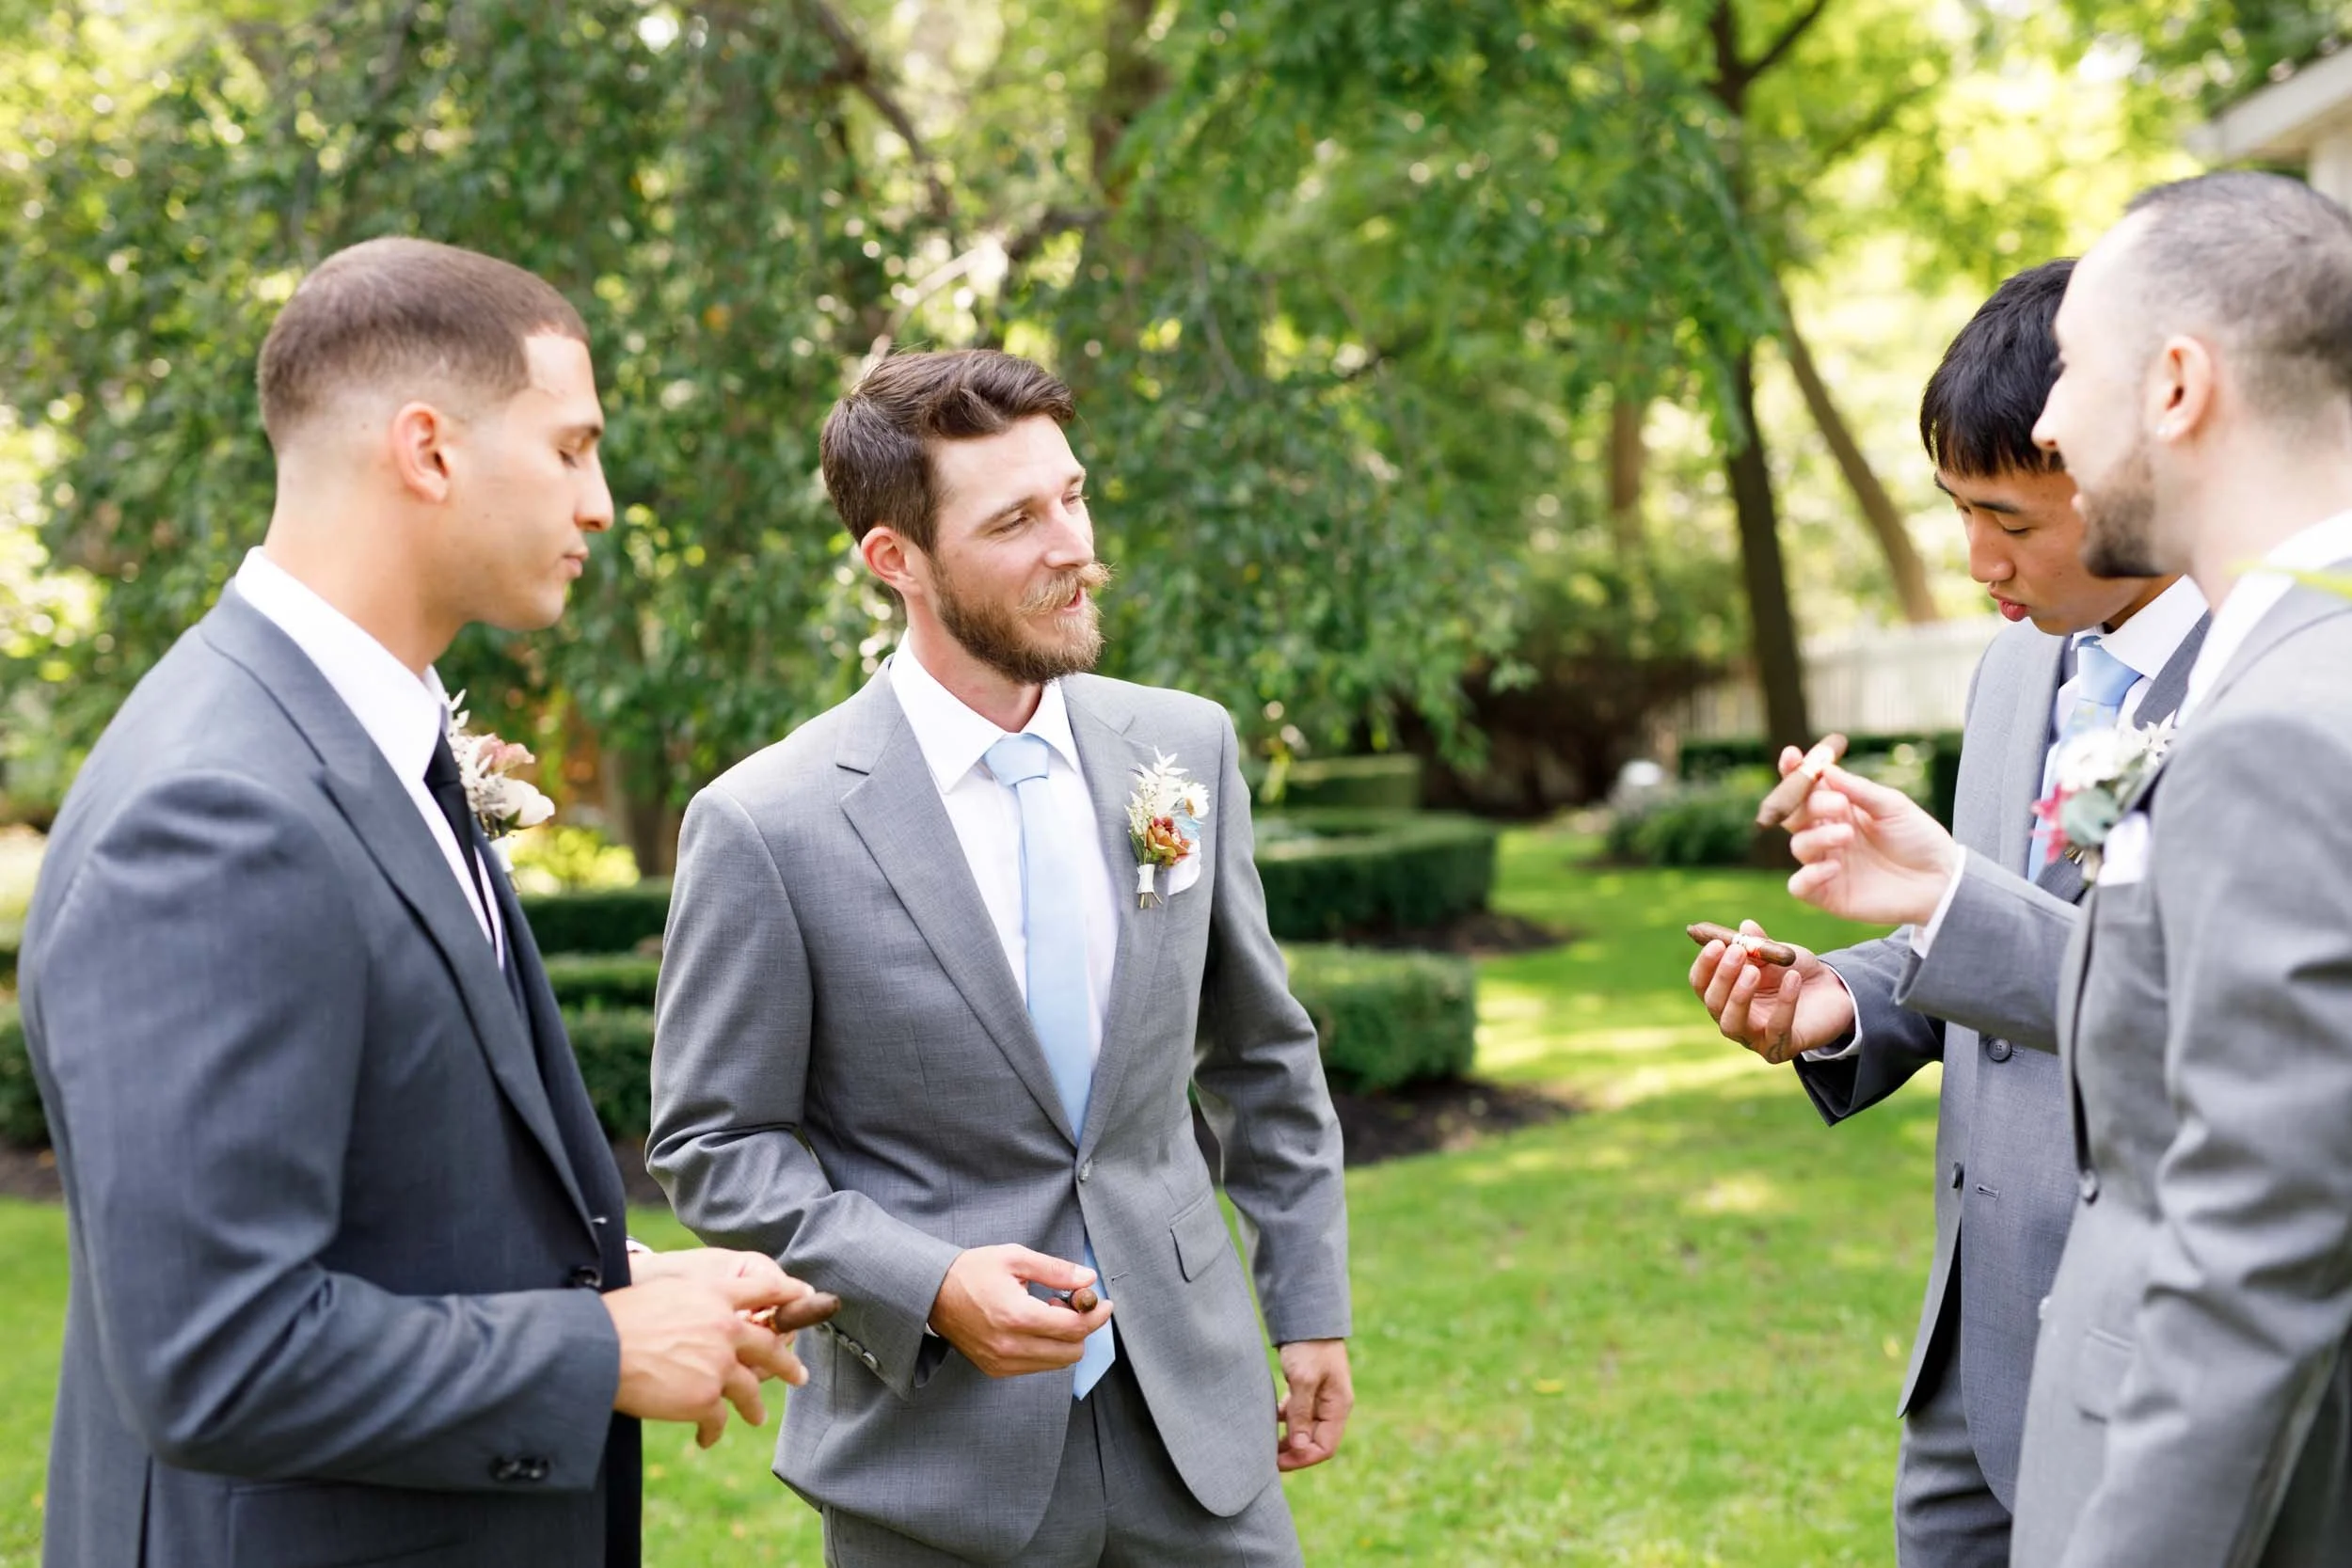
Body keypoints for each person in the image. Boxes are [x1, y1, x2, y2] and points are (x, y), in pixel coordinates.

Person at [17, 237, 834, 1568]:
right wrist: (598, 1347)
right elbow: (216, 1353)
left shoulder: (353, 743)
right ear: (429, 450)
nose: (604, 502)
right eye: (573, 447)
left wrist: (615, 1283)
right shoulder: (217, 813)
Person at [648, 348, 1353, 1565]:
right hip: (936, 1455)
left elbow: (1262, 1053)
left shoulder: (1180, 750)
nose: (1073, 543)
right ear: (895, 560)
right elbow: (714, 1145)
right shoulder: (769, 824)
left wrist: (1310, 1305)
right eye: (1017, 518)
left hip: (1194, 1418)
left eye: (1072, 495)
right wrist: (926, 1281)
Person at [1780, 171, 2352, 1567]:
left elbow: (2256, 1231)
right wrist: (1910, 932)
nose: (2048, 419)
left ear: (2173, 386)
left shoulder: (2278, 710)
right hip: (2000, 1368)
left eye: (2074, 372)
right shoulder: (2276, 658)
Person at [1688, 260, 2209, 1567]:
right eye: (1956, 511)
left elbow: (2193, 1007)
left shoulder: (2279, 690)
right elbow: (2000, 932)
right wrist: (1844, 998)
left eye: (2012, 521)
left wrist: (1947, 898)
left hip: (2155, 1373)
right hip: (1970, 1370)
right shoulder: (2012, 663)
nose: (1979, 562)